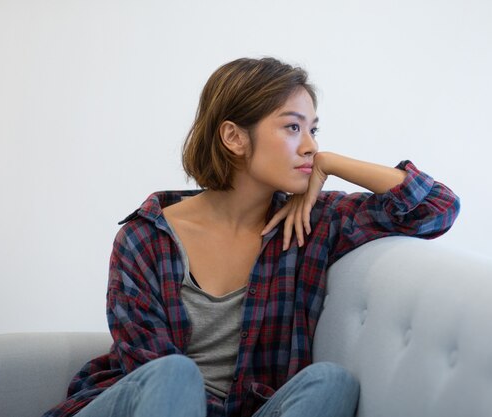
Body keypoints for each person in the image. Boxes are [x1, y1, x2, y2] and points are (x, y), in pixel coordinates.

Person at [43, 57, 460, 417]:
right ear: (234, 137)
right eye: (293, 128)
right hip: (146, 404)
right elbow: (147, 369)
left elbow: (437, 208)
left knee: (331, 381)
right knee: (174, 374)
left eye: (315, 130)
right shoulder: (145, 238)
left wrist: (332, 163)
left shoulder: (313, 224)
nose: (310, 147)